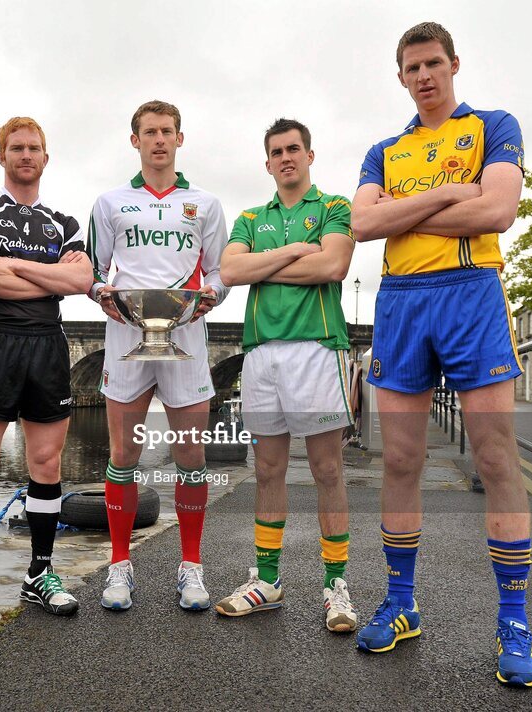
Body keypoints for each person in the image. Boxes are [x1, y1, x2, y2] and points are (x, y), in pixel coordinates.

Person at [351, 22, 532, 687]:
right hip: (401, 300)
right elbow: (364, 224)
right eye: (412, 67)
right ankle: (402, 604)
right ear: (400, 77)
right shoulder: (384, 150)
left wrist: (407, 211)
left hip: (470, 294)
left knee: (494, 459)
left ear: (453, 64)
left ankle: (513, 621)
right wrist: (448, 195)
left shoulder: (493, 125)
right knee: (400, 460)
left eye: (433, 63)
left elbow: (499, 211)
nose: (424, 75)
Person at [0, 117, 92, 625]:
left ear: (46, 158)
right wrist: (50, 277)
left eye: (34, 148)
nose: (25, 154)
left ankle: (40, 572)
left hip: (47, 345)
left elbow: (83, 280)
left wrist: (17, 269)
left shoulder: (65, 223)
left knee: (46, 465)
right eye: (16, 147)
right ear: (2, 156)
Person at [87, 100, 229, 611]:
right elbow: (96, 271)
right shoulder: (109, 203)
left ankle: (191, 567)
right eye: (150, 132)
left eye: (168, 131)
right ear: (136, 141)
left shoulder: (205, 204)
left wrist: (214, 296)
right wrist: (101, 293)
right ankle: (119, 567)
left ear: (179, 139)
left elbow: (217, 273)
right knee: (123, 455)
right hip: (126, 333)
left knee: (192, 456)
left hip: (186, 333)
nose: (159, 140)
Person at [217, 119, 358, 631]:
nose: (285, 158)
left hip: (317, 349)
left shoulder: (336, 207)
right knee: (268, 471)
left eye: (293, 149)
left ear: (309, 155)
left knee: (326, 470)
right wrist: (298, 251)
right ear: (268, 161)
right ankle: (268, 581)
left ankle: (335, 586)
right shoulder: (252, 215)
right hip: (261, 353)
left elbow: (332, 267)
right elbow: (230, 272)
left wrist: (264, 263)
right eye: (276, 151)